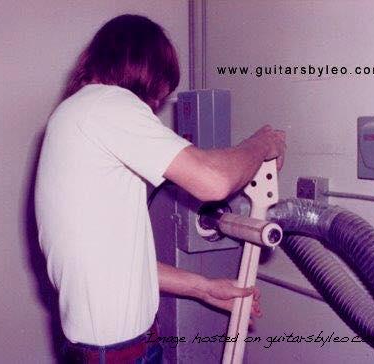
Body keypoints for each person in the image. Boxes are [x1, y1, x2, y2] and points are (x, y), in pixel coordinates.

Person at [34, 14, 286, 364]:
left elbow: (121, 262)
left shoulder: (77, 115)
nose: (153, 107)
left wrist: (205, 288)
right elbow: (213, 181)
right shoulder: (106, 105)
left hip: (115, 348)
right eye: (157, 96)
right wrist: (261, 145)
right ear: (145, 71)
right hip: (118, 354)